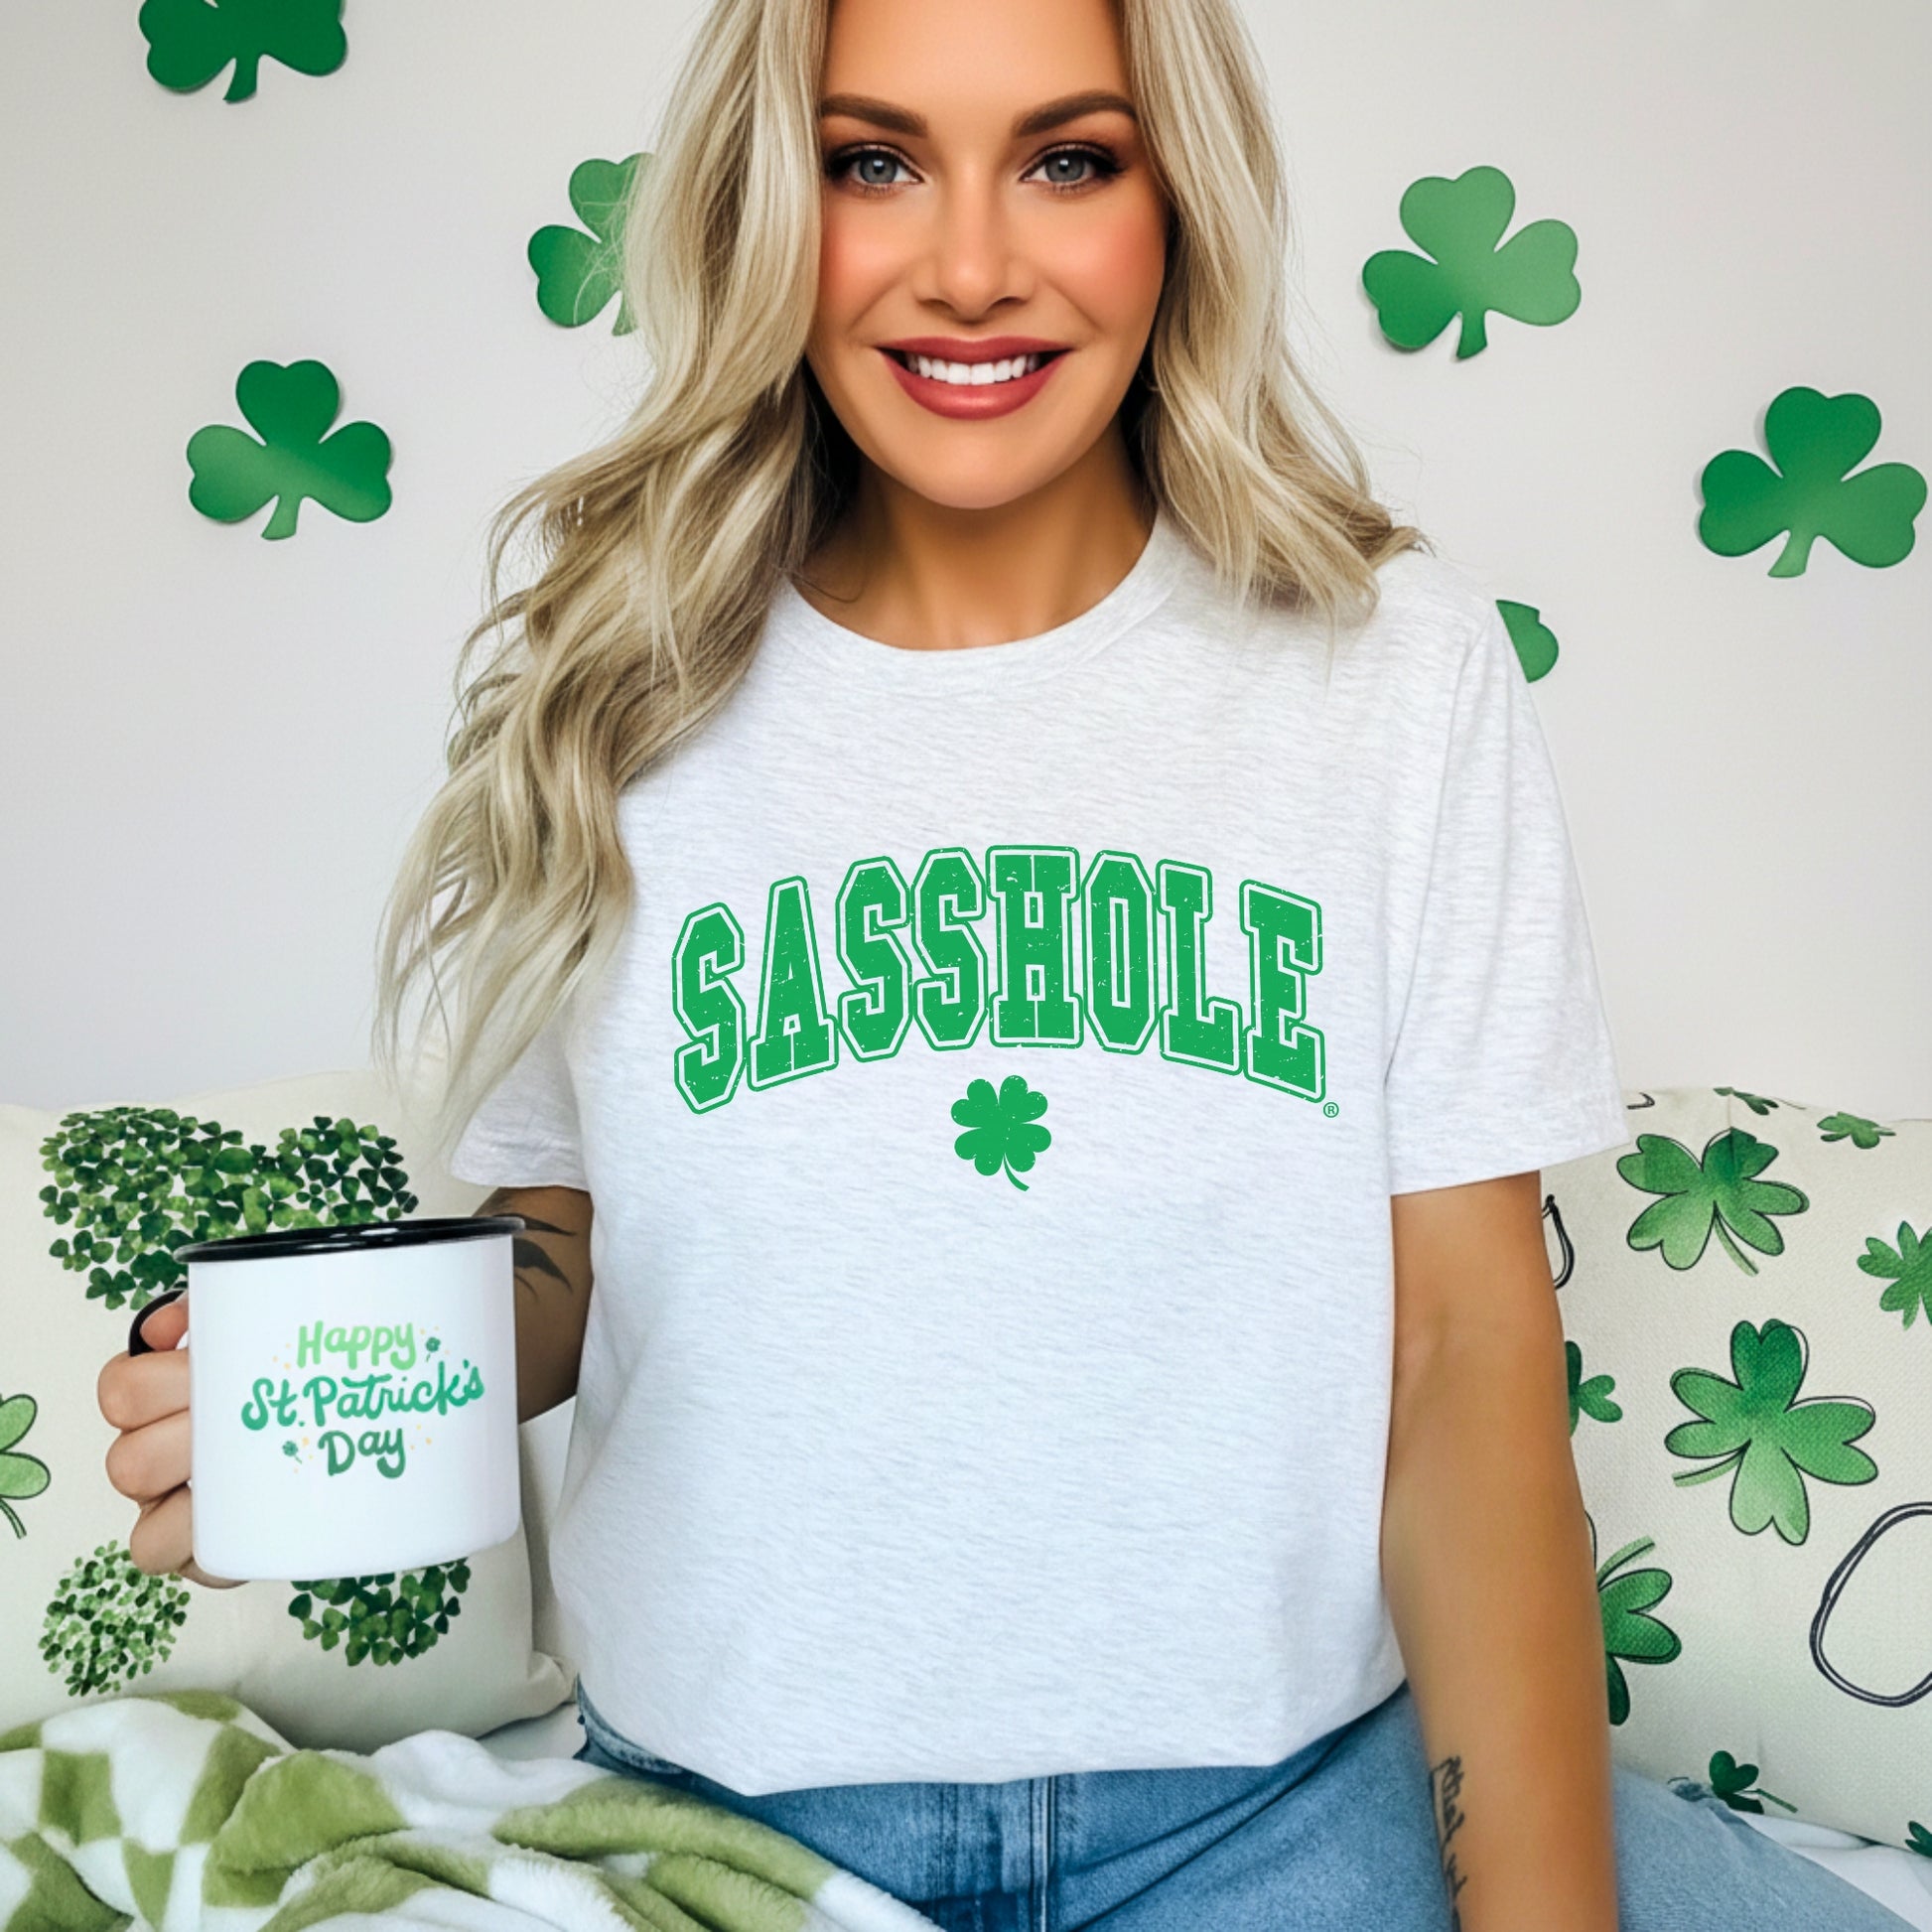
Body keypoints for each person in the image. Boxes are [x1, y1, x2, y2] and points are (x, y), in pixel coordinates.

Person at [98, 1, 1914, 1927]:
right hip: (735, 1823)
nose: (970, 265)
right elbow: (579, 1239)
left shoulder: (1389, 669)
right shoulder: (615, 675)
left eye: (1067, 156)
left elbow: (1462, 1347)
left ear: (1174, 204)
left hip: (1278, 1809)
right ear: (768, 207)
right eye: (873, 159)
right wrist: (352, 1391)